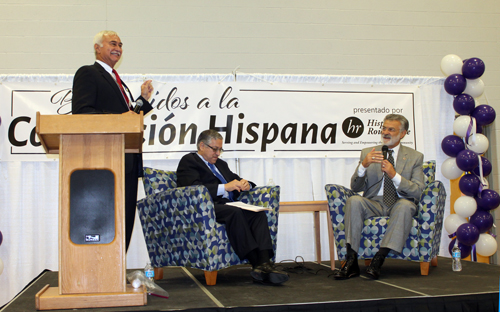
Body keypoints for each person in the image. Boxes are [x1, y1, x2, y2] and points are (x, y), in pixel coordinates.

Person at [71, 30, 154, 250]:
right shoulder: (88, 73)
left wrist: (142, 101)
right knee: (108, 220)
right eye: (112, 43)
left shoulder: (118, 81)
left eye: (120, 44)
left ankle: (117, 272)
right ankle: (102, 274)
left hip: (125, 160)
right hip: (105, 161)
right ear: (97, 48)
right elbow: (82, 113)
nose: (118, 47)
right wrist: (120, 119)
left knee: (124, 219)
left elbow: (126, 117)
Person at [176, 129, 289, 285]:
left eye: (220, 149)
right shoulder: (189, 161)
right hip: (204, 207)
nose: (217, 153)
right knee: (234, 213)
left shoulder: (221, 164)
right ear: (202, 145)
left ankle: (265, 263)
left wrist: (246, 184)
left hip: (228, 205)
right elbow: (193, 189)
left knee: (258, 214)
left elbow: (236, 179)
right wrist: (225, 188)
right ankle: (256, 263)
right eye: (214, 149)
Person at [333, 114, 425, 280]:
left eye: (391, 129)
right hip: (374, 202)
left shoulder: (415, 157)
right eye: (384, 128)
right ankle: (351, 260)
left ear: (403, 133)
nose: (386, 132)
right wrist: (363, 166)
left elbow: (418, 191)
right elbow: (355, 187)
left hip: (400, 203)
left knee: (405, 206)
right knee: (354, 200)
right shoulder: (369, 153)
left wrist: (394, 175)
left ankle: (379, 259)